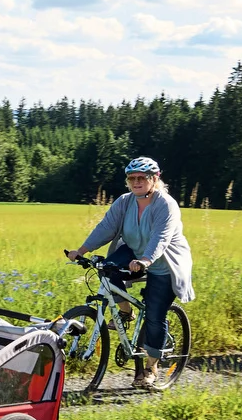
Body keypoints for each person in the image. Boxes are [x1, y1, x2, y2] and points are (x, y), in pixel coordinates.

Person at [63, 157, 195, 387]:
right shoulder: (125, 202)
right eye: (131, 178)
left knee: (155, 314)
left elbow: (161, 238)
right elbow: (106, 227)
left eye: (141, 178)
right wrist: (81, 250)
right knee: (106, 269)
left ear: (154, 179)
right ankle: (125, 313)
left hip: (164, 262)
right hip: (135, 253)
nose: (136, 182)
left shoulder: (166, 205)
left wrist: (145, 260)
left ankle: (151, 369)